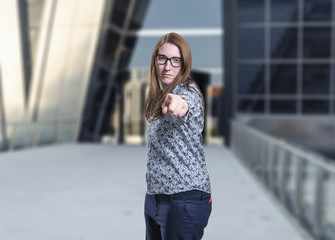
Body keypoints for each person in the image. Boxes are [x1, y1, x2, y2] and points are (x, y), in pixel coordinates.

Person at [144, 32, 212, 240]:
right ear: (155, 60)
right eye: (162, 59)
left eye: (175, 61)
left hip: (184, 200)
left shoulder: (187, 91)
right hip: (156, 197)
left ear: (184, 64)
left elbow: (184, 104)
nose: (167, 67)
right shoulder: (158, 98)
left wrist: (177, 104)